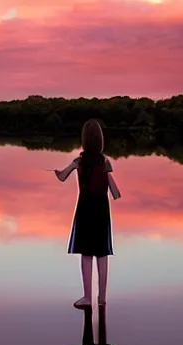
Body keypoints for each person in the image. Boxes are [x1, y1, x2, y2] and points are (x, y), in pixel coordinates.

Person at [49, 119, 121, 309]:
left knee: (87, 253)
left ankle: (88, 297)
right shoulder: (105, 162)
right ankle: (102, 297)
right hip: (101, 208)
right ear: (100, 140)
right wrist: (113, 189)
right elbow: (115, 191)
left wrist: (57, 172)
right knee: (102, 252)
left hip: (85, 207)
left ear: (84, 140)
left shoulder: (79, 161)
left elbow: (62, 177)